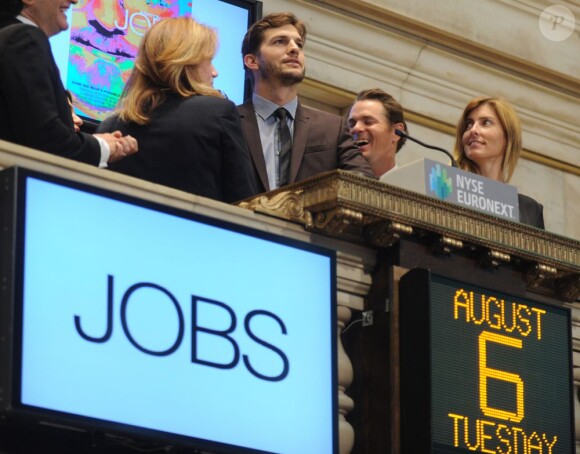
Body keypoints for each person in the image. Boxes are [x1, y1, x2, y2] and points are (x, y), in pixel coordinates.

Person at [97, 17, 258, 203]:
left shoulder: (110, 126)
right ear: (185, 62)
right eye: (209, 61)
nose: (215, 72)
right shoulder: (219, 112)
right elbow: (244, 201)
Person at [238, 12, 373, 193]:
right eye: (280, 41)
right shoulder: (230, 122)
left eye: (299, 44)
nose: (294, 49)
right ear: (252, 61)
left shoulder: (333, 128)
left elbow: (365, 185)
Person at [0, 0, 137, 166]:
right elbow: (46, 142)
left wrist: (95, 142)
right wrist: (104, 148)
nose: (74, 0)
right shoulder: (23, 38)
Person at [453, 96, 545, 228]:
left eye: (486, 123)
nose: (473, 130)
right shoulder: (450, 190)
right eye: (469, 124)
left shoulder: (529, 210)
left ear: (508, 137)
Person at [347, 88, 407, 181]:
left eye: (368, 122)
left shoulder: (414, 188)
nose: (356, 128)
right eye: (352, 124)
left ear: (396, 132)